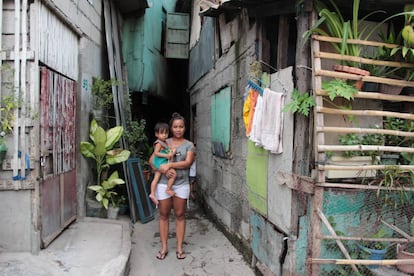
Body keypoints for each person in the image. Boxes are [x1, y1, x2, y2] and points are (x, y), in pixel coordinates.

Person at [150, 112, 195, 261]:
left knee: (180, 214)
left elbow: (187, 163)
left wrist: (170, 164)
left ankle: (180, 247)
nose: (178, 129)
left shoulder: (189, 145)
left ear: (185, 128)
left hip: (181, 184)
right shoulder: (163, 141)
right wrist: (162, 168)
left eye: (181, 127)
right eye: (175, 127)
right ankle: (164, 247)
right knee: (163, 215)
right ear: (170, 128)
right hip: (163, 183)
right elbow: (151, 160)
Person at [149, 122, 176, 206]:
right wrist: (167, 155)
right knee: (174, 174)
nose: (164, 135)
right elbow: (156, 153)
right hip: (160, 163)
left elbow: (171, 149)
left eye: (166, 133)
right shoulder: (158, 143)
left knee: (156, 179)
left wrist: (173, 151)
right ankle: (168, 189)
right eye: (162, 133)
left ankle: (152, 194)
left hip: (159, 164)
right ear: (156, 134)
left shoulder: (165, 142)